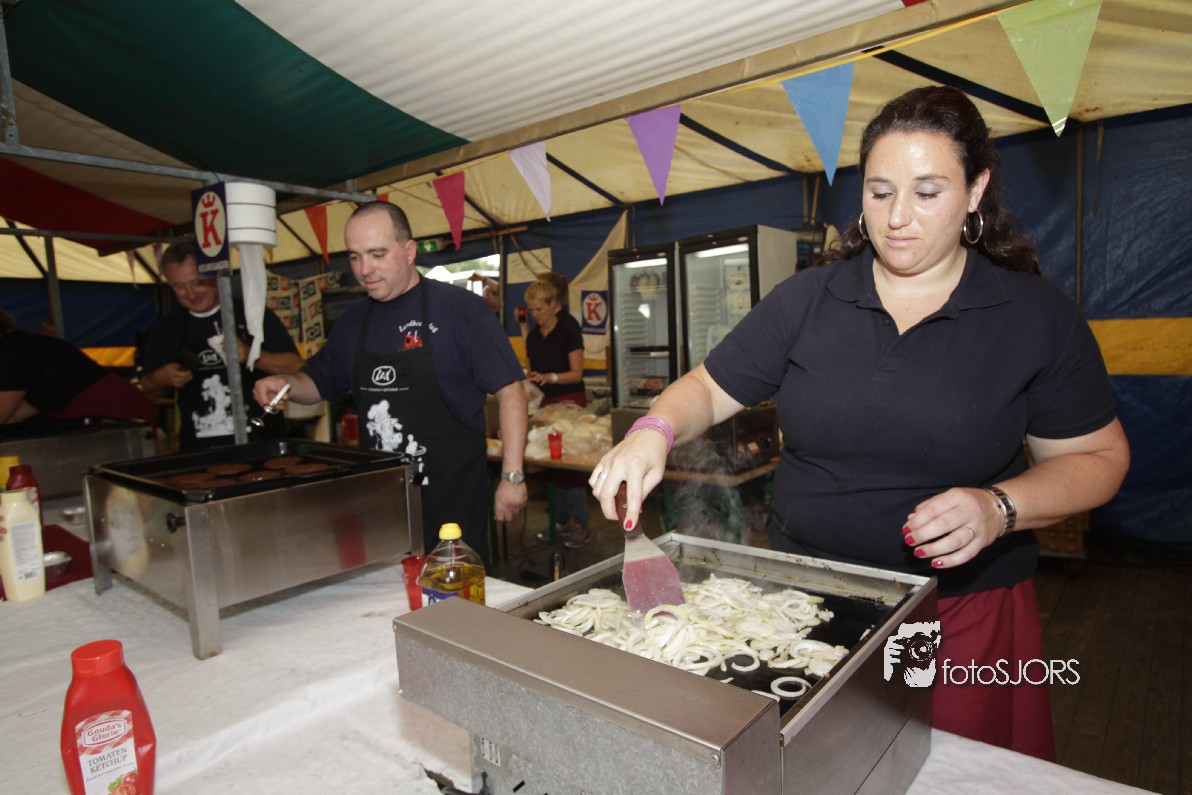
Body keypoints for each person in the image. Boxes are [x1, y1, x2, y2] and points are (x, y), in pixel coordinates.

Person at [590, 86, 1129, 761]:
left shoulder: (1032, 316)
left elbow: (1099, 458)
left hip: (957, 614)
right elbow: (706, 387)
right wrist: (655, 430)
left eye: (927, 192)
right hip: (803, 601)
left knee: (948, 770)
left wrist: (1001, 506)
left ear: (975, 191)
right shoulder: (809, 299)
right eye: (880, 192)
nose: (897, 217)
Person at [252, 201, 528, 559]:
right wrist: (285, 384)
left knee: (455, 592)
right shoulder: (353, 323)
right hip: (382, 503)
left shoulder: (460, 310)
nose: (364, 269)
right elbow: (317, 384)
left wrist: (512, 477)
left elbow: (511, 390)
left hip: (451, 501)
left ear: (409, 251)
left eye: (377, 254)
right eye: (355, 257)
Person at [139, 242, 303, 450]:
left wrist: (252, 356)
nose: (191, 293)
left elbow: (297, 367)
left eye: (198, 282)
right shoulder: (168, 328)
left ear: (216, 276)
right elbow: (148, 389)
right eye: (179, 286)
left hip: (261, 445)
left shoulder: (252, 315)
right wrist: (161, 378)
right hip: (198, 452)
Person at [519, 279, 589, 548]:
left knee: (572, 467)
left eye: (539, 309)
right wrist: (532, 379)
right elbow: (532, 369)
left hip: (570, 403)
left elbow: (576, 374)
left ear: (553, 305)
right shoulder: (534, 336)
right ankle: (559, 522)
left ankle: (581, 524)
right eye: (531, 309)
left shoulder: (568, 330)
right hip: (546, 406)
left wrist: (551, 376)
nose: (535, 314)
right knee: (552, 466)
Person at [0, 308, 157, 426]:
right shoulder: (22, 345)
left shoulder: (12, 350)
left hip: (116, 415)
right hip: (113, 413)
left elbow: (3, 414)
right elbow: (19, 412)